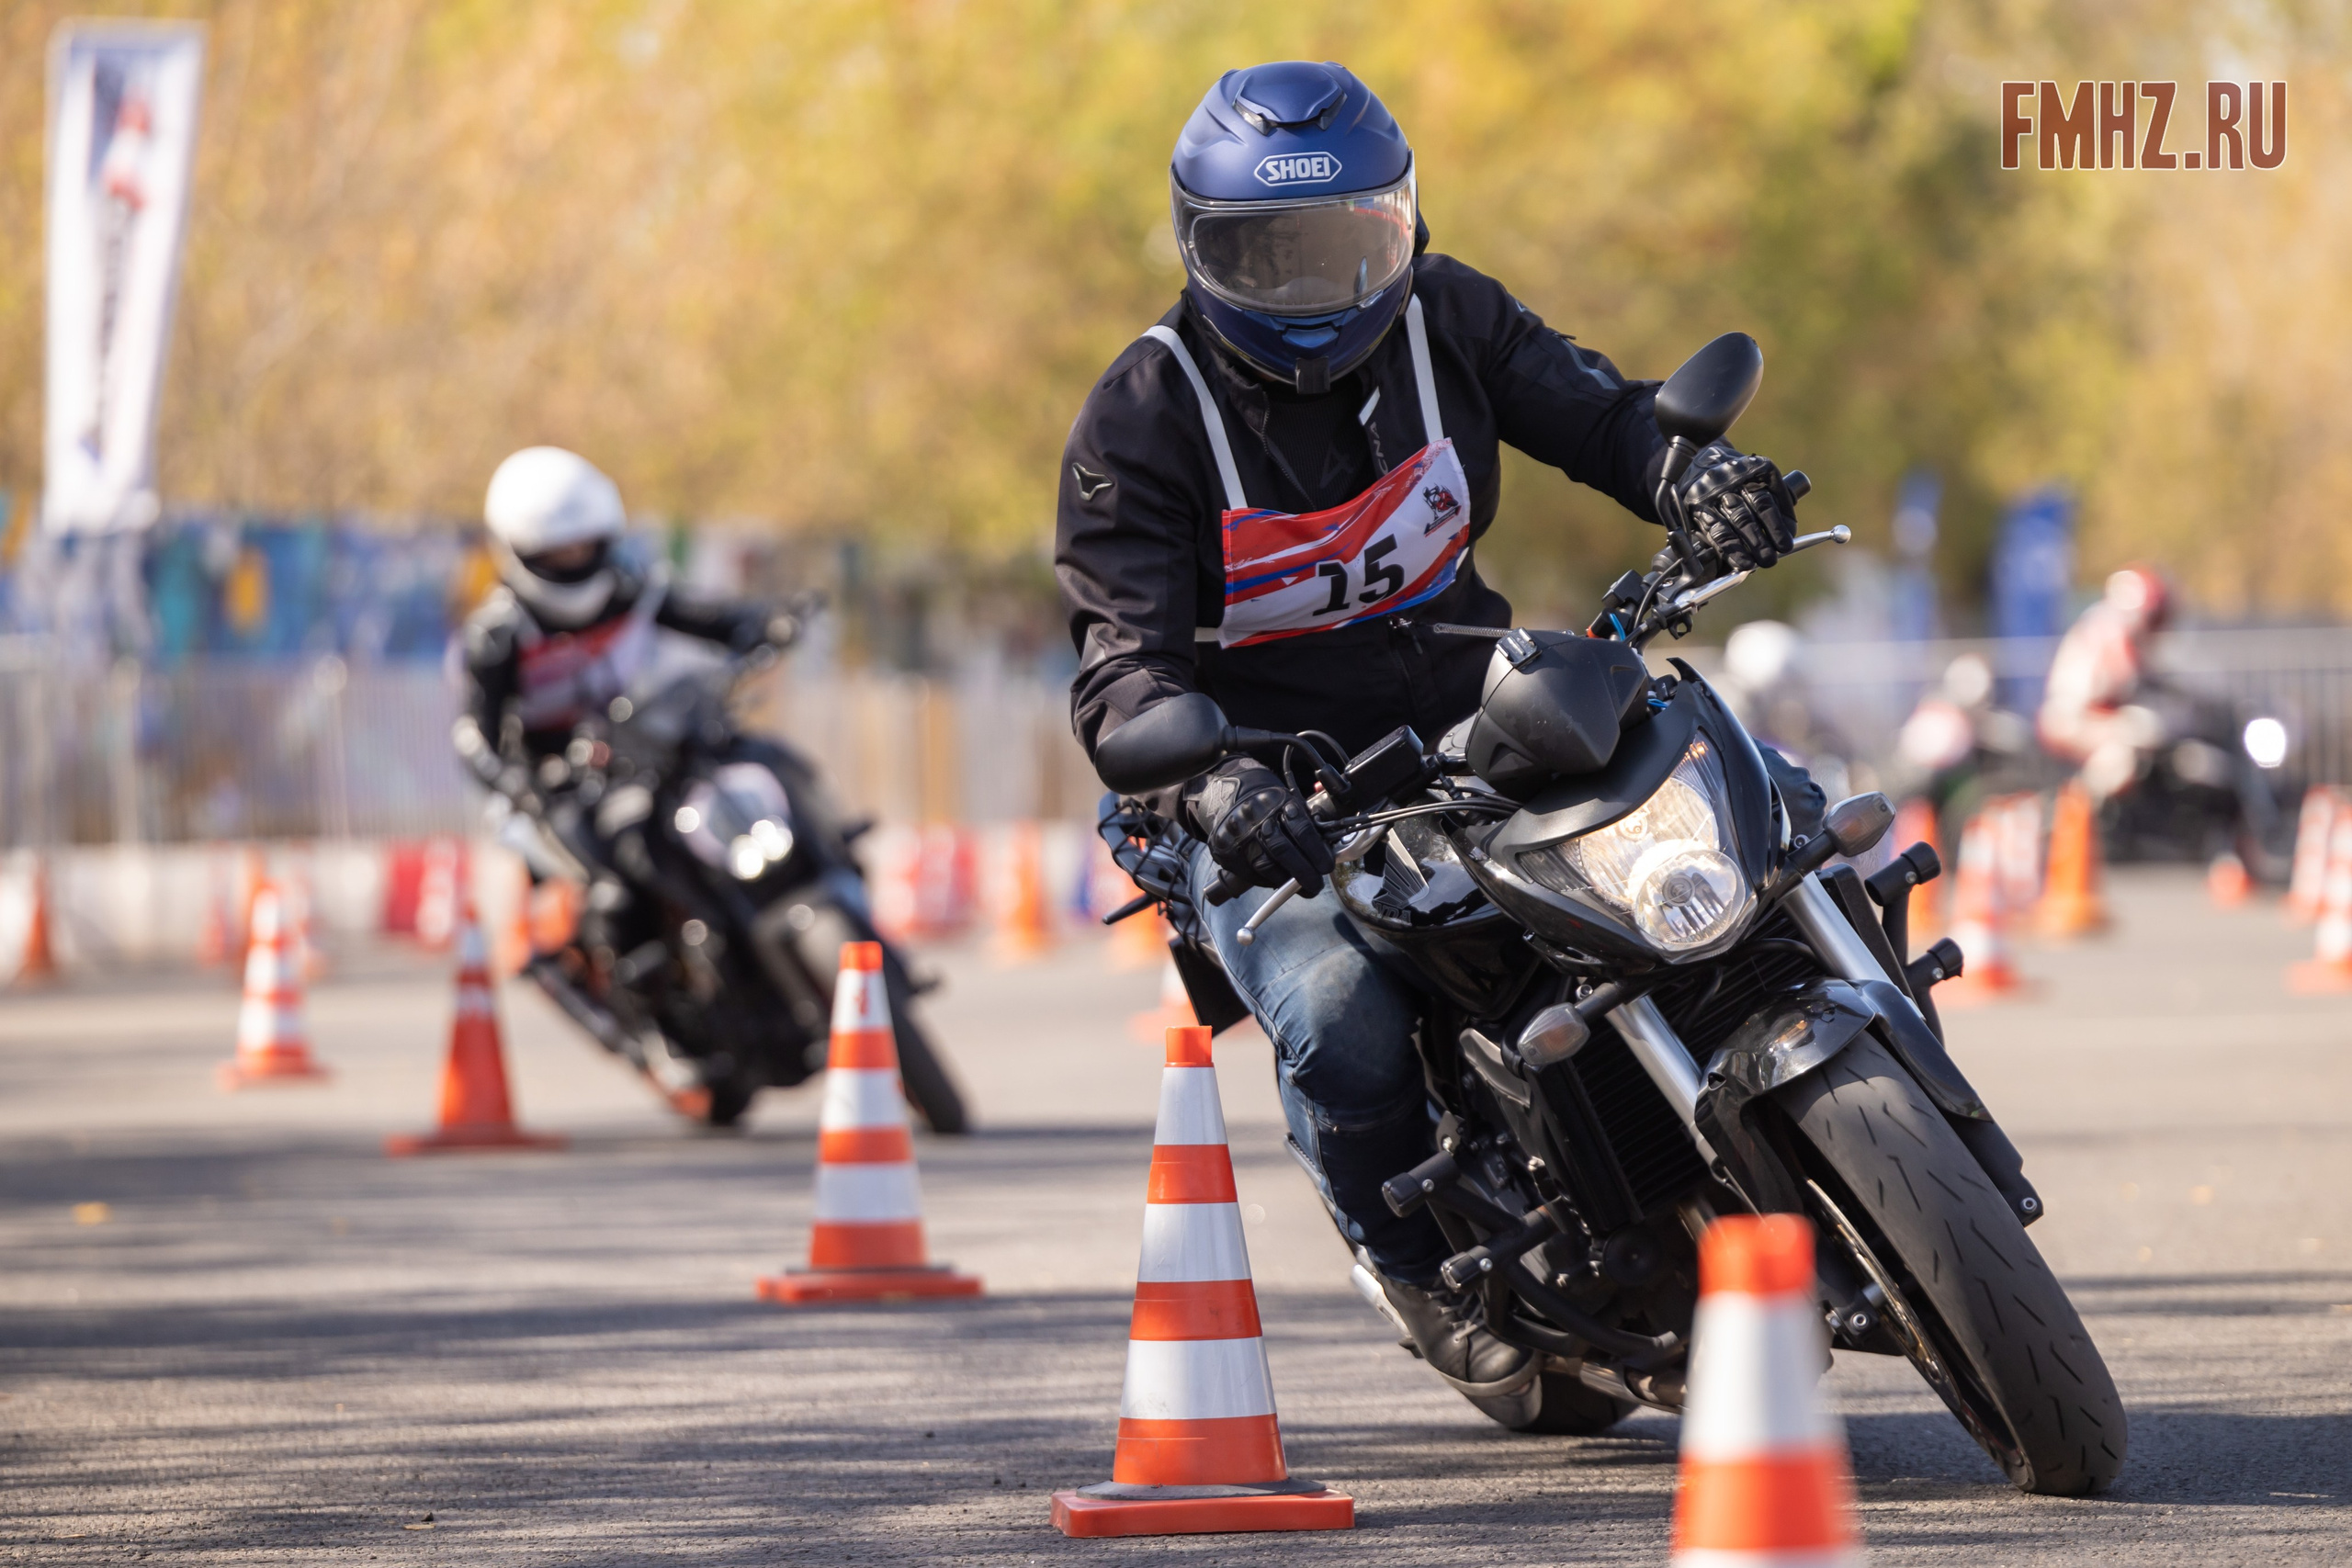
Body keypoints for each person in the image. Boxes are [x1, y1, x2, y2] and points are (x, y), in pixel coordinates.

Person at [1056, 62, 1815, 1404]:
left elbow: (1610, 417)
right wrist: (1214, 787)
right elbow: (1120, 671)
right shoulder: (1141, 415)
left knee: (1767, 799)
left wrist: (1704, 480)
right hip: (1278, 792)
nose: (1311, 289)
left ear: (1402, 224)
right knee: (1339, 1012)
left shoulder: (1450, 315)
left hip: (1487, 712)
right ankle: (1408, 1256)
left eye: (1347, 247)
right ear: (1196, 246)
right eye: (1263, 256)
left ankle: (1852, 1041)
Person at [452, 446, 796, 884]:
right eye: (560, 551)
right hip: (562, 790)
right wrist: (521, 784)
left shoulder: (631, 593)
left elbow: (712, 620)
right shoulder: (499, 634)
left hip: (645, 762)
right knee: (612, 884)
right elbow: (476, 736)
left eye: (583, 545)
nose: (575, 557)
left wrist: (767, 623)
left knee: (767, 762)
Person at [2036, 565, 2172, 803]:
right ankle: (2081, 806)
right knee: (2133, 738)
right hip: (2072, 718)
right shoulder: (2108, 631)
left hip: (2081, 713)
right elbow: (2121, 681)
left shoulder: (2099, 624)